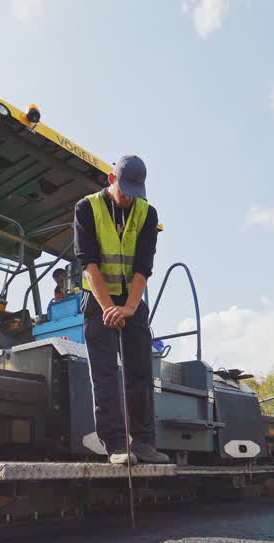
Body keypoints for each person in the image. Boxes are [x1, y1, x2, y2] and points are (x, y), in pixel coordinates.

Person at [73, 155, 168, 465]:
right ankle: (115, 445)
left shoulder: (147, 213)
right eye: (124, 189)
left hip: (131, 301)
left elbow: (143, 267)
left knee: (140, 372)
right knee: (104, 373)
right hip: (98, 300)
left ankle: (143, 443)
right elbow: (89, 264)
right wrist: (109, 308)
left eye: (134, 192)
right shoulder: (86, 208)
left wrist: (128, 307)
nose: (128, 197)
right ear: (111, 181)